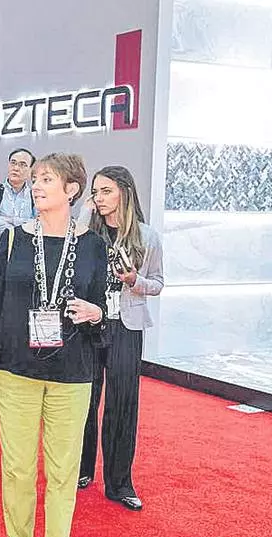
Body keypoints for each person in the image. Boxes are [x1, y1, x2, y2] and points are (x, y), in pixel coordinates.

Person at [0, 152, 109, 537]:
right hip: (15, 370)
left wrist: (96, 312)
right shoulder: (14, 239)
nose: (36, 186)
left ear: (71, 189)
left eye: (47, 179)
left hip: (73, 374)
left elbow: (104, 307)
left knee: (64, 472)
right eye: (36, 179)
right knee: (18, 469)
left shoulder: (94, 245)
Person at [79, 165, 164, 512]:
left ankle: (119, 482)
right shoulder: (89, 232)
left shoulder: (147, 236)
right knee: (83, 400)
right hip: (89, 322)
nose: (98, 198)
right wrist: (84, 213)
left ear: (124, 192)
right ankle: (81, 469)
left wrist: (134, 281)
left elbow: (157, 283)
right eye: (95, 192)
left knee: (122, 404)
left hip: (126, 326)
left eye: (106, 191)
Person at [0, 149, 37, 267]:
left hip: (24, 260)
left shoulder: (34, 195)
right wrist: (24, 227)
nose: (16, 168)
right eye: (13, 163)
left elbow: (38, 224)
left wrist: (10, 220)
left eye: (22, 165)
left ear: (30, 170)